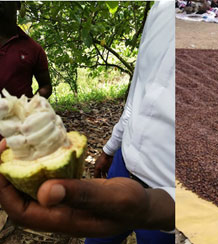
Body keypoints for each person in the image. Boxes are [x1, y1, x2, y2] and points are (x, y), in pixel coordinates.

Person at [0, 1, 175, 243]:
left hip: (170, 193)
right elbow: (139, 92)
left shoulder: (32, 48)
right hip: (123, 164)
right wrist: (111, 148)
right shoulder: (161, 8)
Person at [0, 2, 52, 99]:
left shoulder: (33, 49)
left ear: (18, 5)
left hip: (19, 113)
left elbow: (46, 86)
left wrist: (31, 104)